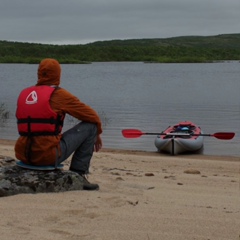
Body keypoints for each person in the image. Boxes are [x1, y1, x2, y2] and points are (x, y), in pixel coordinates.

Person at [15, 58, 103, 191]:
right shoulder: (59, 94)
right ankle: (78, 175)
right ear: (57, 75)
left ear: (39, 74)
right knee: (91, 126)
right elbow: (92, 116)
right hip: (47, 156)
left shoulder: (25, 93)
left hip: (22, 154)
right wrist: (98, 133)